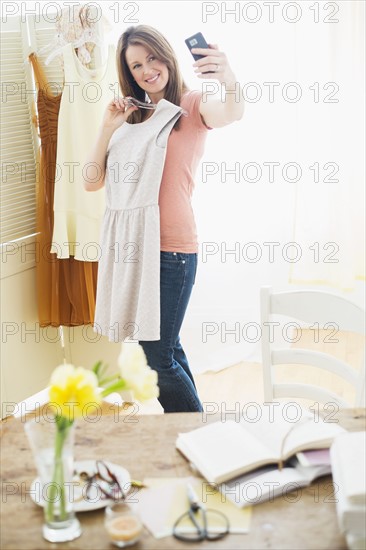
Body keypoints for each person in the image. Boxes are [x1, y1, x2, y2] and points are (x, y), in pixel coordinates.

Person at [84, 25, 244, 413]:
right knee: (167, 348)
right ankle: (201, 437)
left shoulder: (191, 105)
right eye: (136, 64)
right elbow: (91, 181)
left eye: (152, 58)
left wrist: (226, 76)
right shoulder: (131, 116)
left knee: (157, 360)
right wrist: (107, 128)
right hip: (134, 250)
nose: (146, 70)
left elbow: (231, 112)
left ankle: (195, 435)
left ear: (167, 56)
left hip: (172, 250)